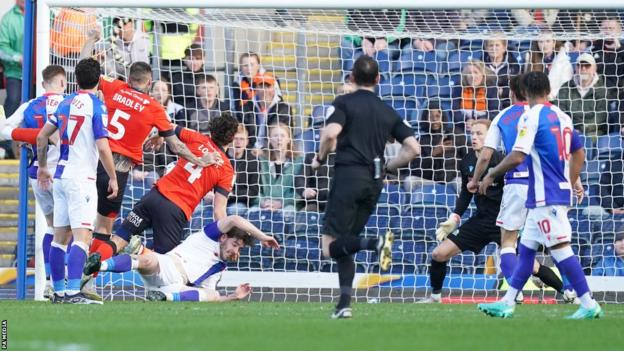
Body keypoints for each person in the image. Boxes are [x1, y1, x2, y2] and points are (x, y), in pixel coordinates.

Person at [477, 71, 603, 320]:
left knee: (561, 249)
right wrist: (569, 179)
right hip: (543, 195)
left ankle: (588, 303)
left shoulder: (530, 116)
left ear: (524, 92)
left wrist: (492, 173)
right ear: (548, 90)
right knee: (525, 251)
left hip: (547, 196)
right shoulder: (562, 116)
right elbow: (579, 154)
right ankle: (507, 301)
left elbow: (518, 155)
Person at [311, 56, 420, 319]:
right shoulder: (387, 110)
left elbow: (329, 134)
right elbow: (414, 148)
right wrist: (389, 166)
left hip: (348, 176)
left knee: (329, 247)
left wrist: (320, 158)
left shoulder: (344, 102)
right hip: (375, 181)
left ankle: (376, 242)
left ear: (351, 78)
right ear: (378, 79)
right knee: (347, 243)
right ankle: (344, 304)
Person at [90, 61, 219, 271]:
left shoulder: (114, 87)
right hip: (116, 171)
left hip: (92, 162)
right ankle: (87, 281)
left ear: (129, 78)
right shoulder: (154, 107)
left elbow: (87, 70)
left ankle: (63, 279)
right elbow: (176, 146)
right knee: (104, 228)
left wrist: (89, 41)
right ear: (149, 82)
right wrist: (200, 160)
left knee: (78, 227)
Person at [468, 75, 575, 303]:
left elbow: (486, 155)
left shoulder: (504, 116)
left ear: (513, 92)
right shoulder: (551, 114)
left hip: (516, 183)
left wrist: (476, 179)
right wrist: (574, 180)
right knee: (556, 241)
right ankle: (569, 288)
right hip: (546, 184)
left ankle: (513, 295)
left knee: (508, 241)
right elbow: (564, 150)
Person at [88, 113, 237, 266]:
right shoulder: (226, 169)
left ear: (211, 131)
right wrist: (225, 237)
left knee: (120, 238)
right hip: (175, 210)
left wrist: (159, 136)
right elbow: (219, 211)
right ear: (232, 138)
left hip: (154, 196)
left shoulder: (197, 138)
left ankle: (94, 260)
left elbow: (168, 127)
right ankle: (136, 254)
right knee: (164, 264)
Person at [36, 58, 119, 304]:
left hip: (60, 177)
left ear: (76, 79)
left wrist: (42, 167)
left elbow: (42, 137)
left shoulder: (64, 102)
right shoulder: (96, 105)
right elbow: (103, 147)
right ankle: (73, 292)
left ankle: (58, 292)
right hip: (81, 178)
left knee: (60, 238)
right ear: (99, 79)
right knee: (82, 237)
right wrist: (113, 177)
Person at [84, 214, 279, 302]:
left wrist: (232, 297)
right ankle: (98, 266)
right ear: (223, 237)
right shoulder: (208, 236)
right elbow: (234, 219)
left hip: (175, 287)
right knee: (148, 260)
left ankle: (163, 298)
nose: (235, 251)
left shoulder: (219, 268)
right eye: (235, 245)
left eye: (239, 249)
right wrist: (262, 236)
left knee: (213, 294)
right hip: (167, 266)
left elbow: (207, 295)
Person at [0, 65, 66, 297]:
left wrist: (31, 135)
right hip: (63, 173)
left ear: (43, 82)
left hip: (36, 174)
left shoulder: (30, 105)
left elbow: (4, 131)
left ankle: (50, 280)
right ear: (62, 82)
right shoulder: (68, 103)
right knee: (71, 230)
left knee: (51, 226)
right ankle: (64, 283)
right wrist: (45, 136)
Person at [556, 53, 617, 137]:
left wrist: (582, 129)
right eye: (580, 66)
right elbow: (560, 111)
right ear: (576, 68)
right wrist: (570, 128)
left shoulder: (602, 89)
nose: (583, 69)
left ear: (594, 68)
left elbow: (600, 117)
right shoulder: (566, 87)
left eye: (587, 66)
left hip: (595, 133)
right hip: (569, 131)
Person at [256, 123, 303, 213]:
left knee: (288, 212)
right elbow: (253, 187)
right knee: (253, 212)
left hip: (288, 205)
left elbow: (300, 191)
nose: (279, 139)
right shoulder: (260, 161)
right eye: (275, 135)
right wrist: (263, 202)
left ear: (289, 139)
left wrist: (282, 203)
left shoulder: (299, 162)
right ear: (269, 139)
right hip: (263, 204)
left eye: (282, 135)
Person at [240, 72, 293, 151]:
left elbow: (283, 137)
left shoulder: (284, 109)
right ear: (256, 89)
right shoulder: (247, 107)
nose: (264, 90)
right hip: (250, 152)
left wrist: (264, 150)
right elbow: (244, 132)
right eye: (261, 86)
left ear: (274, 89)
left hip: (273, 151)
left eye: (268, 86)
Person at [0, 0, 25, 159]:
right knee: (13, 101)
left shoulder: (43, 13)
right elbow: (2, 48)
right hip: (15, 72)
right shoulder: (8, 19)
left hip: (38, 71)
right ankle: (6, 145)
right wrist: (17, 57)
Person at [451, 60, 500, 129]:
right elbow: (454, 110)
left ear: (483, 74)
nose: (472, 76)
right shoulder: (459, 87)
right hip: (462, 127)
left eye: (476, 72)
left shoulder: (491, 88)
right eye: (469, 73)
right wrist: (466, 121)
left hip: (484, 127)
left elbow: (494, 112)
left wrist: (477, 122)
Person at [227, 124, 260, 215]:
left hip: (240, 202)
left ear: (247, 142)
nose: (238, 142)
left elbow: (253, 191)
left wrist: (233, 194)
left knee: (235, 209)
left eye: (242, 139)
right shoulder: (220, 157)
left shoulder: (253, 161)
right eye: (235, 138)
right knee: (198, 208)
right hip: (216, 199)